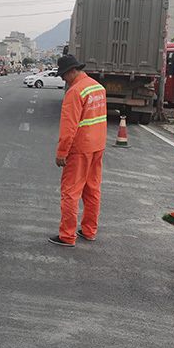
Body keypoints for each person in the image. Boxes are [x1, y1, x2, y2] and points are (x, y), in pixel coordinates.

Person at [49, 54, 107, 247]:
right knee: (92, 190)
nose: (63, 79)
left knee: (70, 192)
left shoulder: (75, 92)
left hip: (80, 148)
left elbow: (69, 127)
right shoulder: (97, 87)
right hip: (97, 146)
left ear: (72, 71)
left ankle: (67, 236)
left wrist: (62, 152)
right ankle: (89, 231)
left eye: (64, 75)